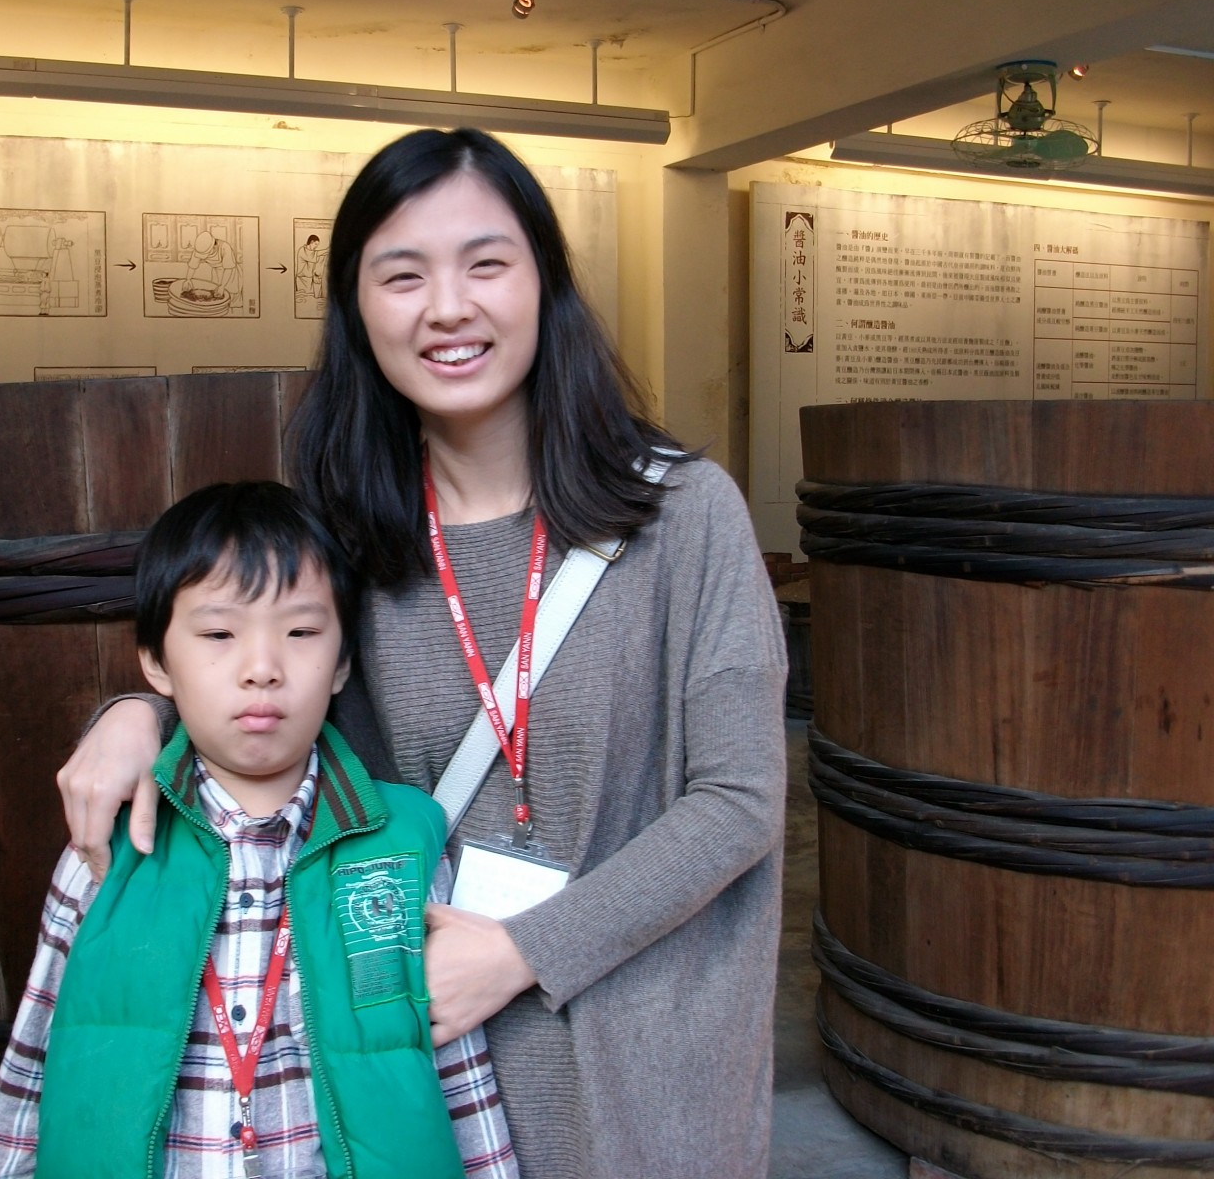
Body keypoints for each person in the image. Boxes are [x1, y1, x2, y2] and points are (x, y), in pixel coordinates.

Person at [59, 129, 787, 1178]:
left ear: (546, 282)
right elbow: (265, 695)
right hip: (425, 1051)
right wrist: (138, 714)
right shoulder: (348, 537)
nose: (447, 307)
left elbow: (740, 801)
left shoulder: (684, 514)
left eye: (486, 264)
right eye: (402, 276)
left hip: (649, 1046)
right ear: (358, 310)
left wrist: (524, 951)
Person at [0, 481, 517, 1179]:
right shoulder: (103, 849)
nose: (262, 669)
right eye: (219, 635)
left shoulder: (401, 848)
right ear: (156, 662)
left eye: (301, 633)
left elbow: (458, 1074)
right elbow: (32, 1060)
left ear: (343, 664)